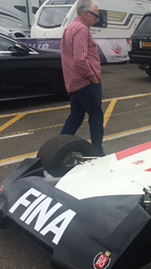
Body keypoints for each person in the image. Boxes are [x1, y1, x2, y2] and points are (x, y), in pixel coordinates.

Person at [60, 0, 105, 156]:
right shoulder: (81, 29)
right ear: (86, 13)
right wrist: (93, 78)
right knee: (96, 119)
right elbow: (80, 59)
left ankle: (59, 148)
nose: (97, 20)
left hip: (74, 84)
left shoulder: (70, 27)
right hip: (85, 84)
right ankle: (98, 153)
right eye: (95, 16)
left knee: (75, 118)